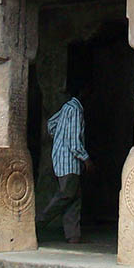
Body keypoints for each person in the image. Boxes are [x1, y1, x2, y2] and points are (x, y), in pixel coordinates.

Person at [36, 84, 93, 243]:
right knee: (66, 194)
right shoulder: (75, 109)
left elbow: (51, 123)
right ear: (82, 91)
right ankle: (38, 222)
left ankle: (73, 235)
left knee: (74, 198)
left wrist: (59, 138)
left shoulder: (66, 107)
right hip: (69, 161)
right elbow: (74, 142)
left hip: (62, 158)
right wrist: (86, 159)